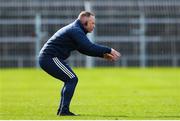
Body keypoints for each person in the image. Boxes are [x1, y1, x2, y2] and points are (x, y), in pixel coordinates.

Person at [38, 11, 120, 116]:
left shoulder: (77, 30)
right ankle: (64, 111)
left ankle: (62, 110)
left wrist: (102, 55)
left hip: (50, 58)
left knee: (70, 79)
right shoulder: (75, 30)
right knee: (72, 79)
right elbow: (89, 47)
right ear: (85, 22)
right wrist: (109, 49)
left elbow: (84, 49)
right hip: (49, 58)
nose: (94, 26)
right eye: (92, 23)